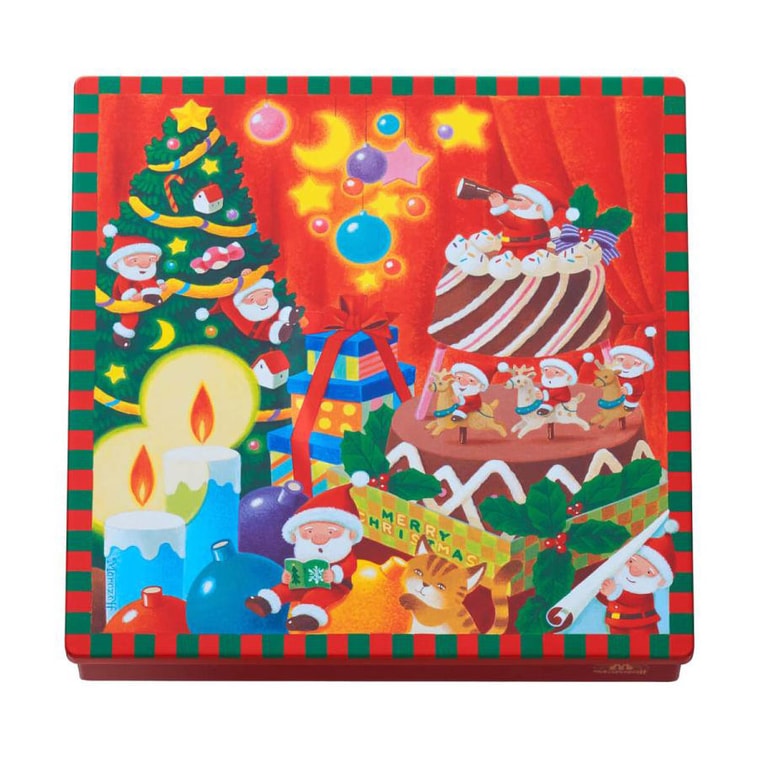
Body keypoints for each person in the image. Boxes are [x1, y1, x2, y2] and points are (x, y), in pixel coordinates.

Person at [245, 474, 367, 631]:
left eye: (331, 531)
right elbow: (296, 566)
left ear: (350, 534)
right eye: (309, 531)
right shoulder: (304, 551)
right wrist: (288, 575)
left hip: (333, 586)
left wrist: (335, 574)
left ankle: (307, 616)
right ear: (296, 535)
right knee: (285, 589)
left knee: (316, 595)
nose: (318, 538)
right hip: (304, 581)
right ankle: (266, 602)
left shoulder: (344, 553)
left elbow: (350, 567)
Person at [597, 520, 678, 634]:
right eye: (631, 561)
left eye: (648, 572)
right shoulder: (617, 578)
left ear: (661, 582)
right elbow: (605, 597)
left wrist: (614, 592)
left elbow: (632, 600)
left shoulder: (642, 591)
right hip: (615, 623)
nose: (634, 570)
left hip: (641, 624)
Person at [103, 225, 166, 348]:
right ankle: (122, 335)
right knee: (131, 317)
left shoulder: (148, 276)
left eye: (150, 260)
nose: (144, 265)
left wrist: (159, 284)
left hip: (144, 292)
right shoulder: (123, 278)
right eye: (135, 261)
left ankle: (151, 295)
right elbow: (124, 291)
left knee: (147, 281)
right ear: (117, 265)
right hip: (125, 299)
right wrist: (132, 296)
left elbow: (153, 280)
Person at [488, 181, 578, 260]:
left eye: (519, 199)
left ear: (539, 207)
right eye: (514, 197)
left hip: (523, 249)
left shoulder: (525, 221)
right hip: (515, 246)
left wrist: (498, 207)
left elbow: (509, 220)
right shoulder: (538, 220)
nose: (511, 201)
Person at [210, 274, 304, 344]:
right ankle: (280, 331)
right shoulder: (228, 301)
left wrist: (245, 276)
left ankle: (288, 315)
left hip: (263, 309)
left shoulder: (246, 289)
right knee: (267, 329)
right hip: (254, 325)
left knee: (272, 312)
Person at [609, 326, 657, 411]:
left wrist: (628, 389)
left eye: (636, 363)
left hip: (631, 396)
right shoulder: (617, 372)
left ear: (645, 366)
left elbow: (639, 388)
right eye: (621, 359)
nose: (626, 365)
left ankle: (628, 405)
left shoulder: (637, 380)